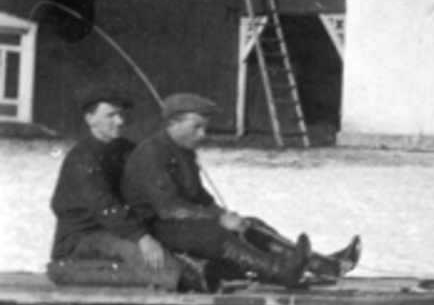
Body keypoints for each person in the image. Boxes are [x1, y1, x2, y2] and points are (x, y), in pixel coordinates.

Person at [122, 92, 361, 289]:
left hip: (180, 221)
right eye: (196, 127)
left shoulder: (181, 150)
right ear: (173, 123)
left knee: (251, 225)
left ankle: (323, 266)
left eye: (204, 128)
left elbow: (199, 197)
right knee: (216, 235)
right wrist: (219, 219)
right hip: (155, 227)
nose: (203, 134)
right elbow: (169, 208)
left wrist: (228, 216)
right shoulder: (153, 154)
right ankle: (278, 271)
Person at [50, 94, 186, 288]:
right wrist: (142, 237)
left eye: (121, 114)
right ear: (90, 119)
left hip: (120, 227)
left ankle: (212, 270)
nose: (120, 121)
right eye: (110, 115)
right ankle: (187, 282)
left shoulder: (126, 150)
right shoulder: (81, 159)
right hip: (81, 237)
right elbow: (104, 207)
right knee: (132, 249)